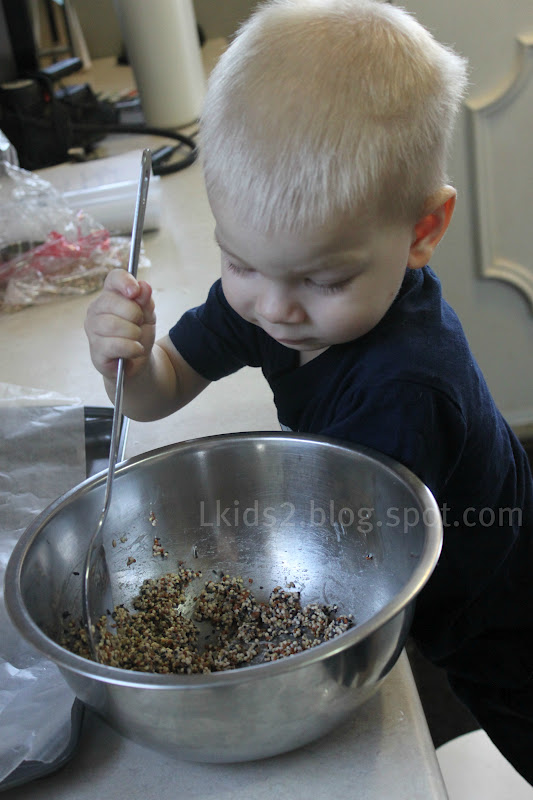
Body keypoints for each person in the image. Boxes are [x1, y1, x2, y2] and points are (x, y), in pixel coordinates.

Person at [85, 0, 533, 783]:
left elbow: (348, 574)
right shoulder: (269, 292)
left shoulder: (406, 385)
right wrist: (125, 360)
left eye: (323, 279)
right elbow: (163, 389)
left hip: (496, 612)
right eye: (239, 261)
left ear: (423, 232)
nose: (274, 308)